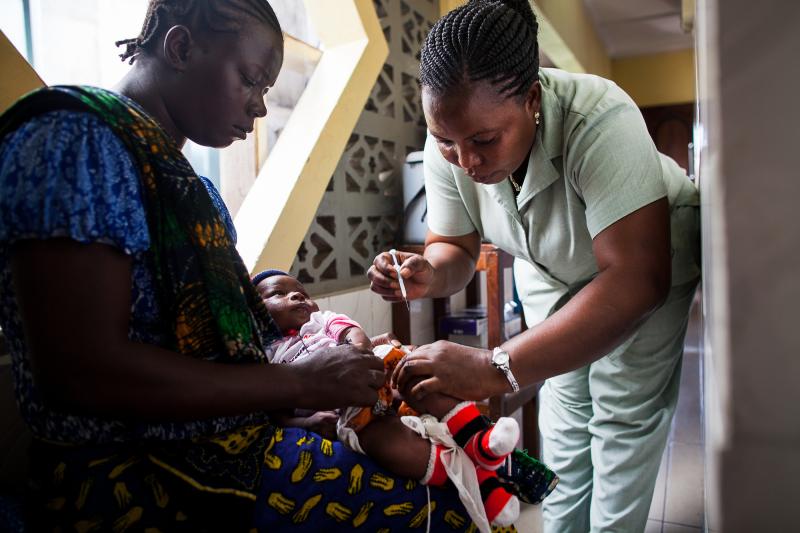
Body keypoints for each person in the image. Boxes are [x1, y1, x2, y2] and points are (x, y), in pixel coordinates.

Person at [0, 1, 519, 531]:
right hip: (137, 470)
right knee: (449, 508)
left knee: (466, 461)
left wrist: (293, 402)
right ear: (180, 48)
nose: (259, 108)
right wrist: (294, 385)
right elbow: (79, 373)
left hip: (230, 435)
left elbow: (206, 351)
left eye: (266, 90)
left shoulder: (191, 190)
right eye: (251, 80)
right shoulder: (77, 141)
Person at [368, 1, 701, 532]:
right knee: (566, 422)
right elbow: (454, 247)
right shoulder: (452, 144)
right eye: (446, 141)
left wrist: (492, 366)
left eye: (483, 141)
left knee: (620, 419)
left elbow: (638, 278)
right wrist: (429, 272)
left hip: (644, 261)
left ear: (531, 99)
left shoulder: (598, 118)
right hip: (551, 270)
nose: (466, 161)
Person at [251, 268, 543, 528]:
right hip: (351, 414)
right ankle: (475, 483)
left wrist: (360, 353)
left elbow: (352, 332)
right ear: (255, 313)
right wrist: (308, 421)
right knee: (384, 441)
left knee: (417, 372)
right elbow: (277, 412)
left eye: (301, 293)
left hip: (370, 373)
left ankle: (477, 435)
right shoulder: (264, 357)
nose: (297, 298)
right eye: (279, 294)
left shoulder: (321, 321)